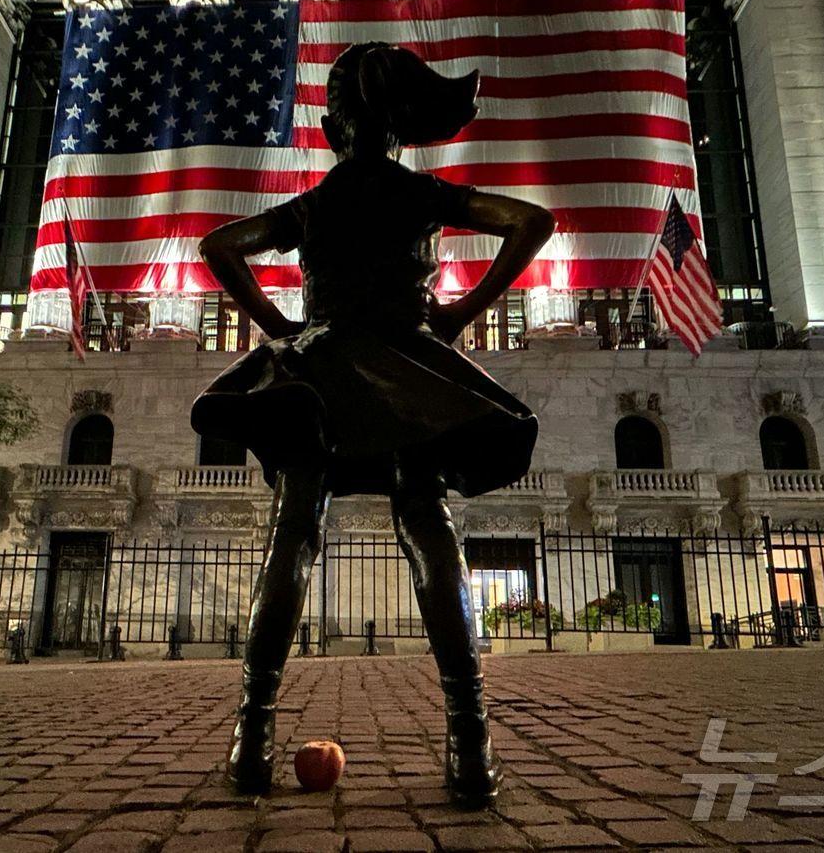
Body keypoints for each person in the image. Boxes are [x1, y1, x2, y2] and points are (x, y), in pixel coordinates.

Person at [191, 41, 554, 808]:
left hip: (319, 369)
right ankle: (469, 740)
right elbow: (531, 220)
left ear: (333, 127)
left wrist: (279, 324)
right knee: (428, 526)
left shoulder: (315, 205)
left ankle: (250, 738)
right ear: (400, 129)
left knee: (294, 531)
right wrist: (460, 312)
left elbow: (220, 246)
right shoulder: (422, 193)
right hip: (406, 367)